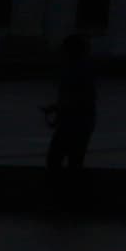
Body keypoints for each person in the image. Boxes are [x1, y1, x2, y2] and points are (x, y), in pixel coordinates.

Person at [42, 33, 98, 186]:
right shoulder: (81, 68)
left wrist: (58, 109)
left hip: (74, 123)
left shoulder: (75, 70)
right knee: (73, 161)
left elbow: (75, 99)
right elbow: (80, 98)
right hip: (79, 123)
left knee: (56, 159)